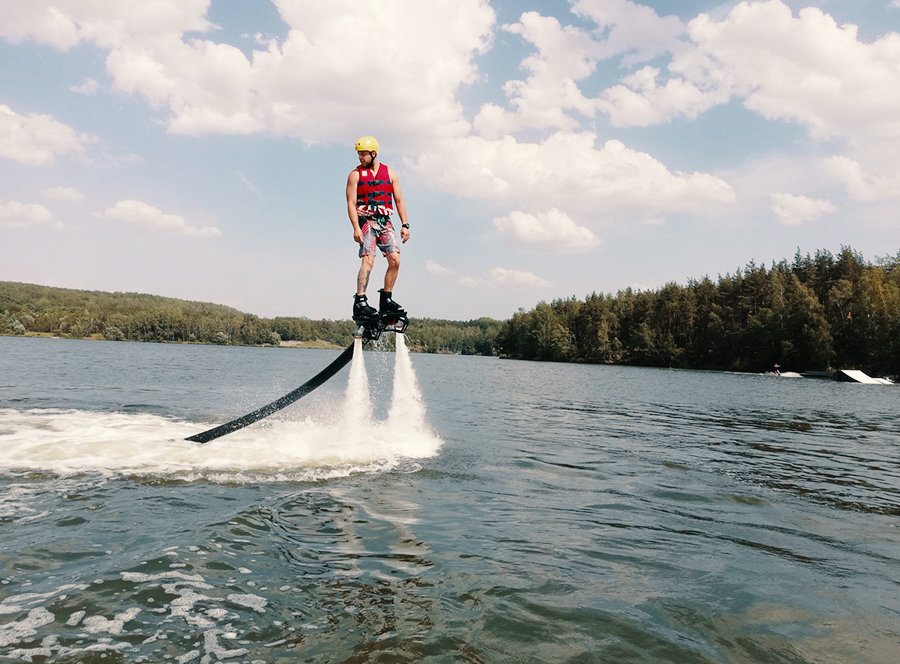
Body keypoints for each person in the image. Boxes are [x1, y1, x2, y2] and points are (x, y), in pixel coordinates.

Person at [346, 136, 410, 322]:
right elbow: (350, 203)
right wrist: (356, 227)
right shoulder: (355, 175)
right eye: (359, 154)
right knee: (368, 261)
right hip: (365, 220)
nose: (360, 157)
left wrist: (405, 224)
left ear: (373, 154)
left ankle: (386, 299)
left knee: (395, 260)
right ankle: (360, 301)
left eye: (363, 154)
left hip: (384, 221)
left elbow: (398, 200)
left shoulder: (390, 173)